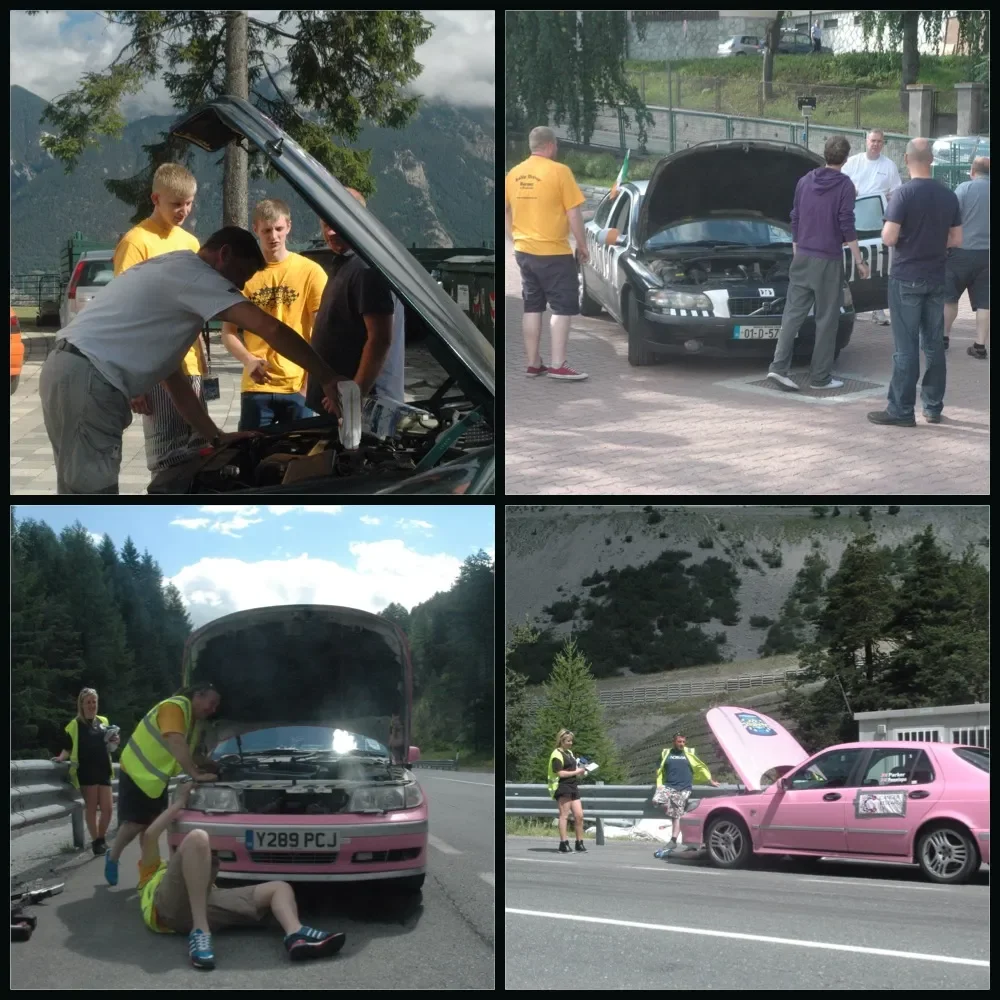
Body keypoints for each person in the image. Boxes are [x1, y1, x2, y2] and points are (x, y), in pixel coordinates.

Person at [39, 226, 349, 494]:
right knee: (94, 492)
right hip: (90, 379)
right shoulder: (198, 276)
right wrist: (326, 376)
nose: (239, 289)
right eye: (240, 277)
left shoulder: (174, 268)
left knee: (76, 486)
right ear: (224, 254)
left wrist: (216, 436)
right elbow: (270, 328)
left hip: (70, 370)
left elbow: (173, 378)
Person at [137, 779, 346, 970]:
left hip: (201, 906)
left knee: (279, 888)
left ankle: (295, 933)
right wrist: (179, 802)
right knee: (198, 838)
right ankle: (200, 931)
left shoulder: (192, 880)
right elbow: (150, 835)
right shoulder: (152, 872)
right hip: (166, 910)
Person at [112, 163, 209, 475]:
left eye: (189, 203)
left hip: (191, 364)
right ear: (156, 199)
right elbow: (127, 312)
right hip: (154, 370)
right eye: (176, 204)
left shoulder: (191, 243)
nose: (184, 211)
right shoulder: (136, 242)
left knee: (201, 451)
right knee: (167, 457)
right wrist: (134, 382)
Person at [868, 138, 962, 427]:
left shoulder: (903, 194)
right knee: (934, 345)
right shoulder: (948, 195)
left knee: (905, 347)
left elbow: (889, 237)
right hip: (936, 276)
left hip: (906, 276)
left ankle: (901, 410)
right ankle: (932, 407)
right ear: (931, 160)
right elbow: (957, 239)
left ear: (906, 160)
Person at [766, 135, 870, 392]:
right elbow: (847, 223)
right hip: (828, 259)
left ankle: (778, 367)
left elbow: (795, 217)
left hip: (802, 255)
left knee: (792, 314)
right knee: (827, 318)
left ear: (825, 154)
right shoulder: (845, 185)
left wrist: (797, 249)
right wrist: (859, 260)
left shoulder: (804, 181)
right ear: (846, 159)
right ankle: (820, 377)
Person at [220, 199, 329, 429]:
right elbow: (228, 333)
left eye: (279, 229)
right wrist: (248, 360)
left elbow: (321, 331)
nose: (274, 236)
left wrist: (309, 383)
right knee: (252, 449)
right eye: (267, 230)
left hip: (296, 386)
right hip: (256, 386)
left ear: (288, 226)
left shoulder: (310, 272)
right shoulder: (245, 274)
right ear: (256, 229)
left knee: (299, 450)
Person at [104, 683, 223, 887]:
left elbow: (190, 753)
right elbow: (176, 742)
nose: (213, 709)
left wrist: (213, 765)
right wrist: (195, 773)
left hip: (154, 778)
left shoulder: (193, 721)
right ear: (198, 696)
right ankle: (113, 857)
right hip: (135, 770)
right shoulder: (174, 707)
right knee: (135, 824)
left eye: (216, 706)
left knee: (152, 826)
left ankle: (148, 872)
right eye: (211, 703)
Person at [303, 188, 399, 416]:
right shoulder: (344, 263)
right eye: (326, 224)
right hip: (332, 402)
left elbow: (380, 339)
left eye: (337, 223)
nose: (331, 231)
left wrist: (354, 395)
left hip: (353, 408)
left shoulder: (366, 270)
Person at [505, 125, 589, 381]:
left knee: (532, 306)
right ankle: (558, 364)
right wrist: (582, 245)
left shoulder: (514, 174)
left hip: (524, 252)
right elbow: (573, 213)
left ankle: (533, 363)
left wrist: (515, 238)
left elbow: (504, 211)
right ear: (551, 146)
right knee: (562, 308)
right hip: (554, 252)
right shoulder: (560, 171)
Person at [842, 128, 903, 325]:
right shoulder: (853, 162)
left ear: (883, 144)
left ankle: (877, 309)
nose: (875, 144)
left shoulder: (889, 165)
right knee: (852, 263)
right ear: (866, 141)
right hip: (853, 220)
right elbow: (841, 184)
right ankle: (853, 305)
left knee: (878, 265)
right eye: (873, 140)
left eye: (879, 141)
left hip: (877, 222)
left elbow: (897, 192)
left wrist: (890, 198)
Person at [51, 688, 119, 856]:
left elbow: (110, 744)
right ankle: (96, 843)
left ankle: (101, 838)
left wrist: (115, 741)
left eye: (94, 702)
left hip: (103, 768)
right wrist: (61, 757)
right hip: (86, 771)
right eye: (88, 702)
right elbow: (68, 747)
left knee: (108, 809)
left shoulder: (103, 721)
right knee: (91, 808)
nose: (91, 705)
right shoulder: (75, 724)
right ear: (81, 704)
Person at [944, 156, 989, 359]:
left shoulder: (964, 189)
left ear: (972, 171)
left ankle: (943, 338)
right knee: (985, 303)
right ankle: (980, 345)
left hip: (960, 252)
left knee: (949, 298)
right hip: (988, 255)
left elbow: (950, 218)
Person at [653, 732, 719, 857]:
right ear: (674, 742)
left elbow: (700, 766)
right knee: (657, 800)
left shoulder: (689, 752)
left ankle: (673, 840)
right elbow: (658, 768)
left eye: (683, 742)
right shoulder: (666, 753)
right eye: (679, 742)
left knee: (676, 814)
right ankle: (673, 812)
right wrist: (659, 782)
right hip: (668, 786)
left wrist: (710, 780)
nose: (682, 744)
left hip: (683, 788)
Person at [546, 729, 587, 854]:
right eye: (568, 741)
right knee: (564, 815)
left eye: (571, 741)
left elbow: (573, 769)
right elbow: (560, 773)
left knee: (579, 815)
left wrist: (581, 771)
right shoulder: (556, 754)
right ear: (561, 741)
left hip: (573, 785)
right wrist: (576, 772)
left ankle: (579, 843)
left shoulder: (569, 753)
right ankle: (563, 843)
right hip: (562, 786)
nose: (570, 743)